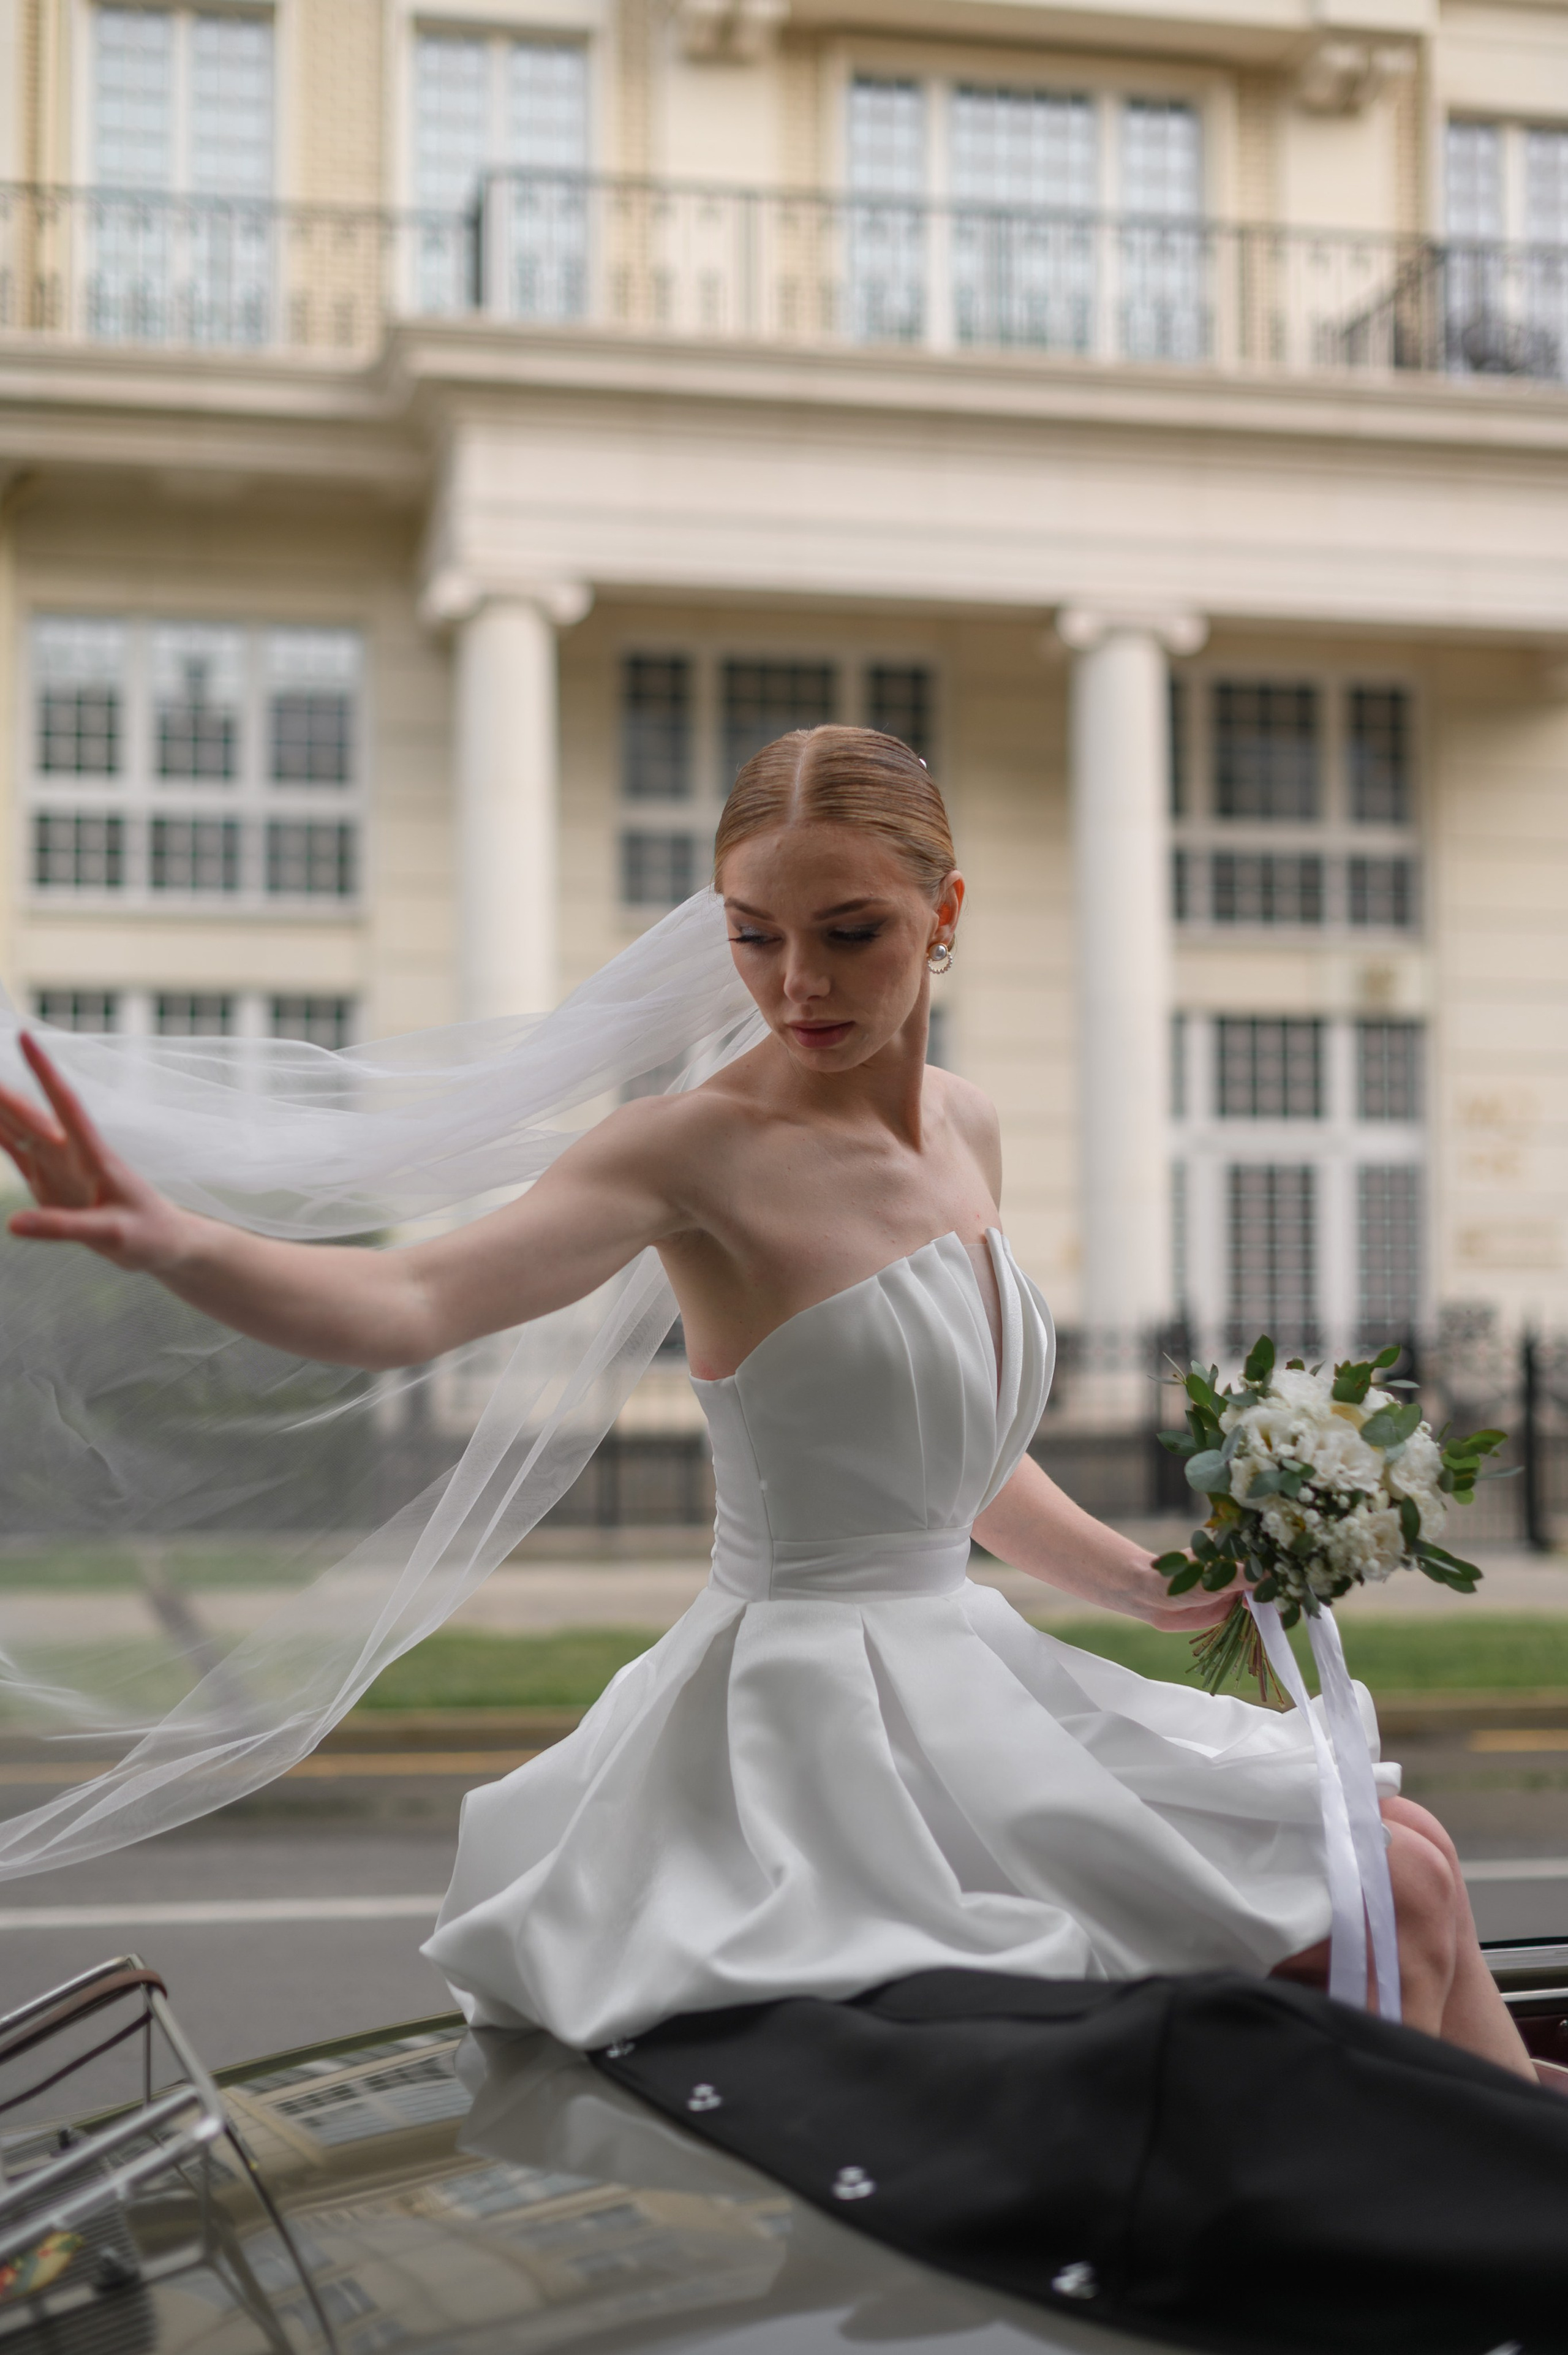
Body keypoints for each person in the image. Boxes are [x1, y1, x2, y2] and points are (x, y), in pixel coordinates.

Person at [0, 725, 1530, 2079]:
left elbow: (938, 1460)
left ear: (942, 916)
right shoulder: (687, 1152)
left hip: (967, 1673)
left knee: (1402, 1848)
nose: (795, 982)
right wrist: (176, 1241)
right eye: (753, 934)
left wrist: (1146, 1583)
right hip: (811, 1728)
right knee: (1382, 1890)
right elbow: (409, 1304)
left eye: (849, 931)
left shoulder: (969, 1129)